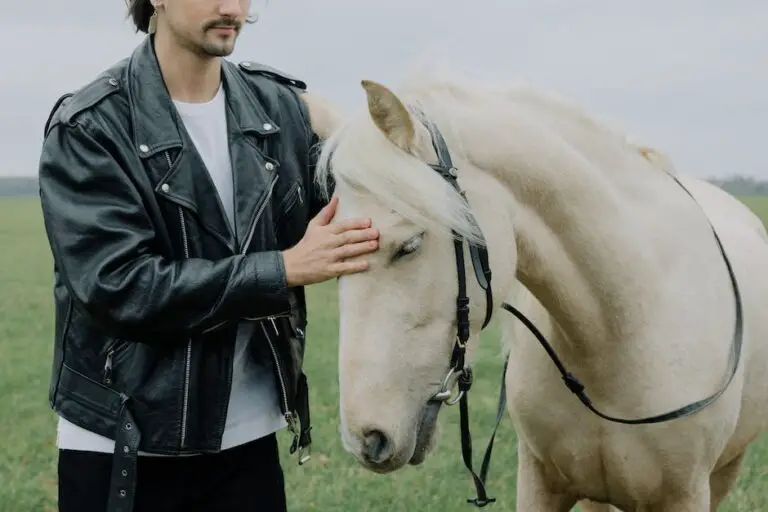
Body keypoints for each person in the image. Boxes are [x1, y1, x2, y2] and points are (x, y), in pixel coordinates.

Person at [37, 0, 379, 510]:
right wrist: (281, 269)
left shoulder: (279, 109)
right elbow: (119, 287)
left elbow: (369, 203)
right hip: (122, 443)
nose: (230, 7)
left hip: (247, 442)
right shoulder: (90, 126)